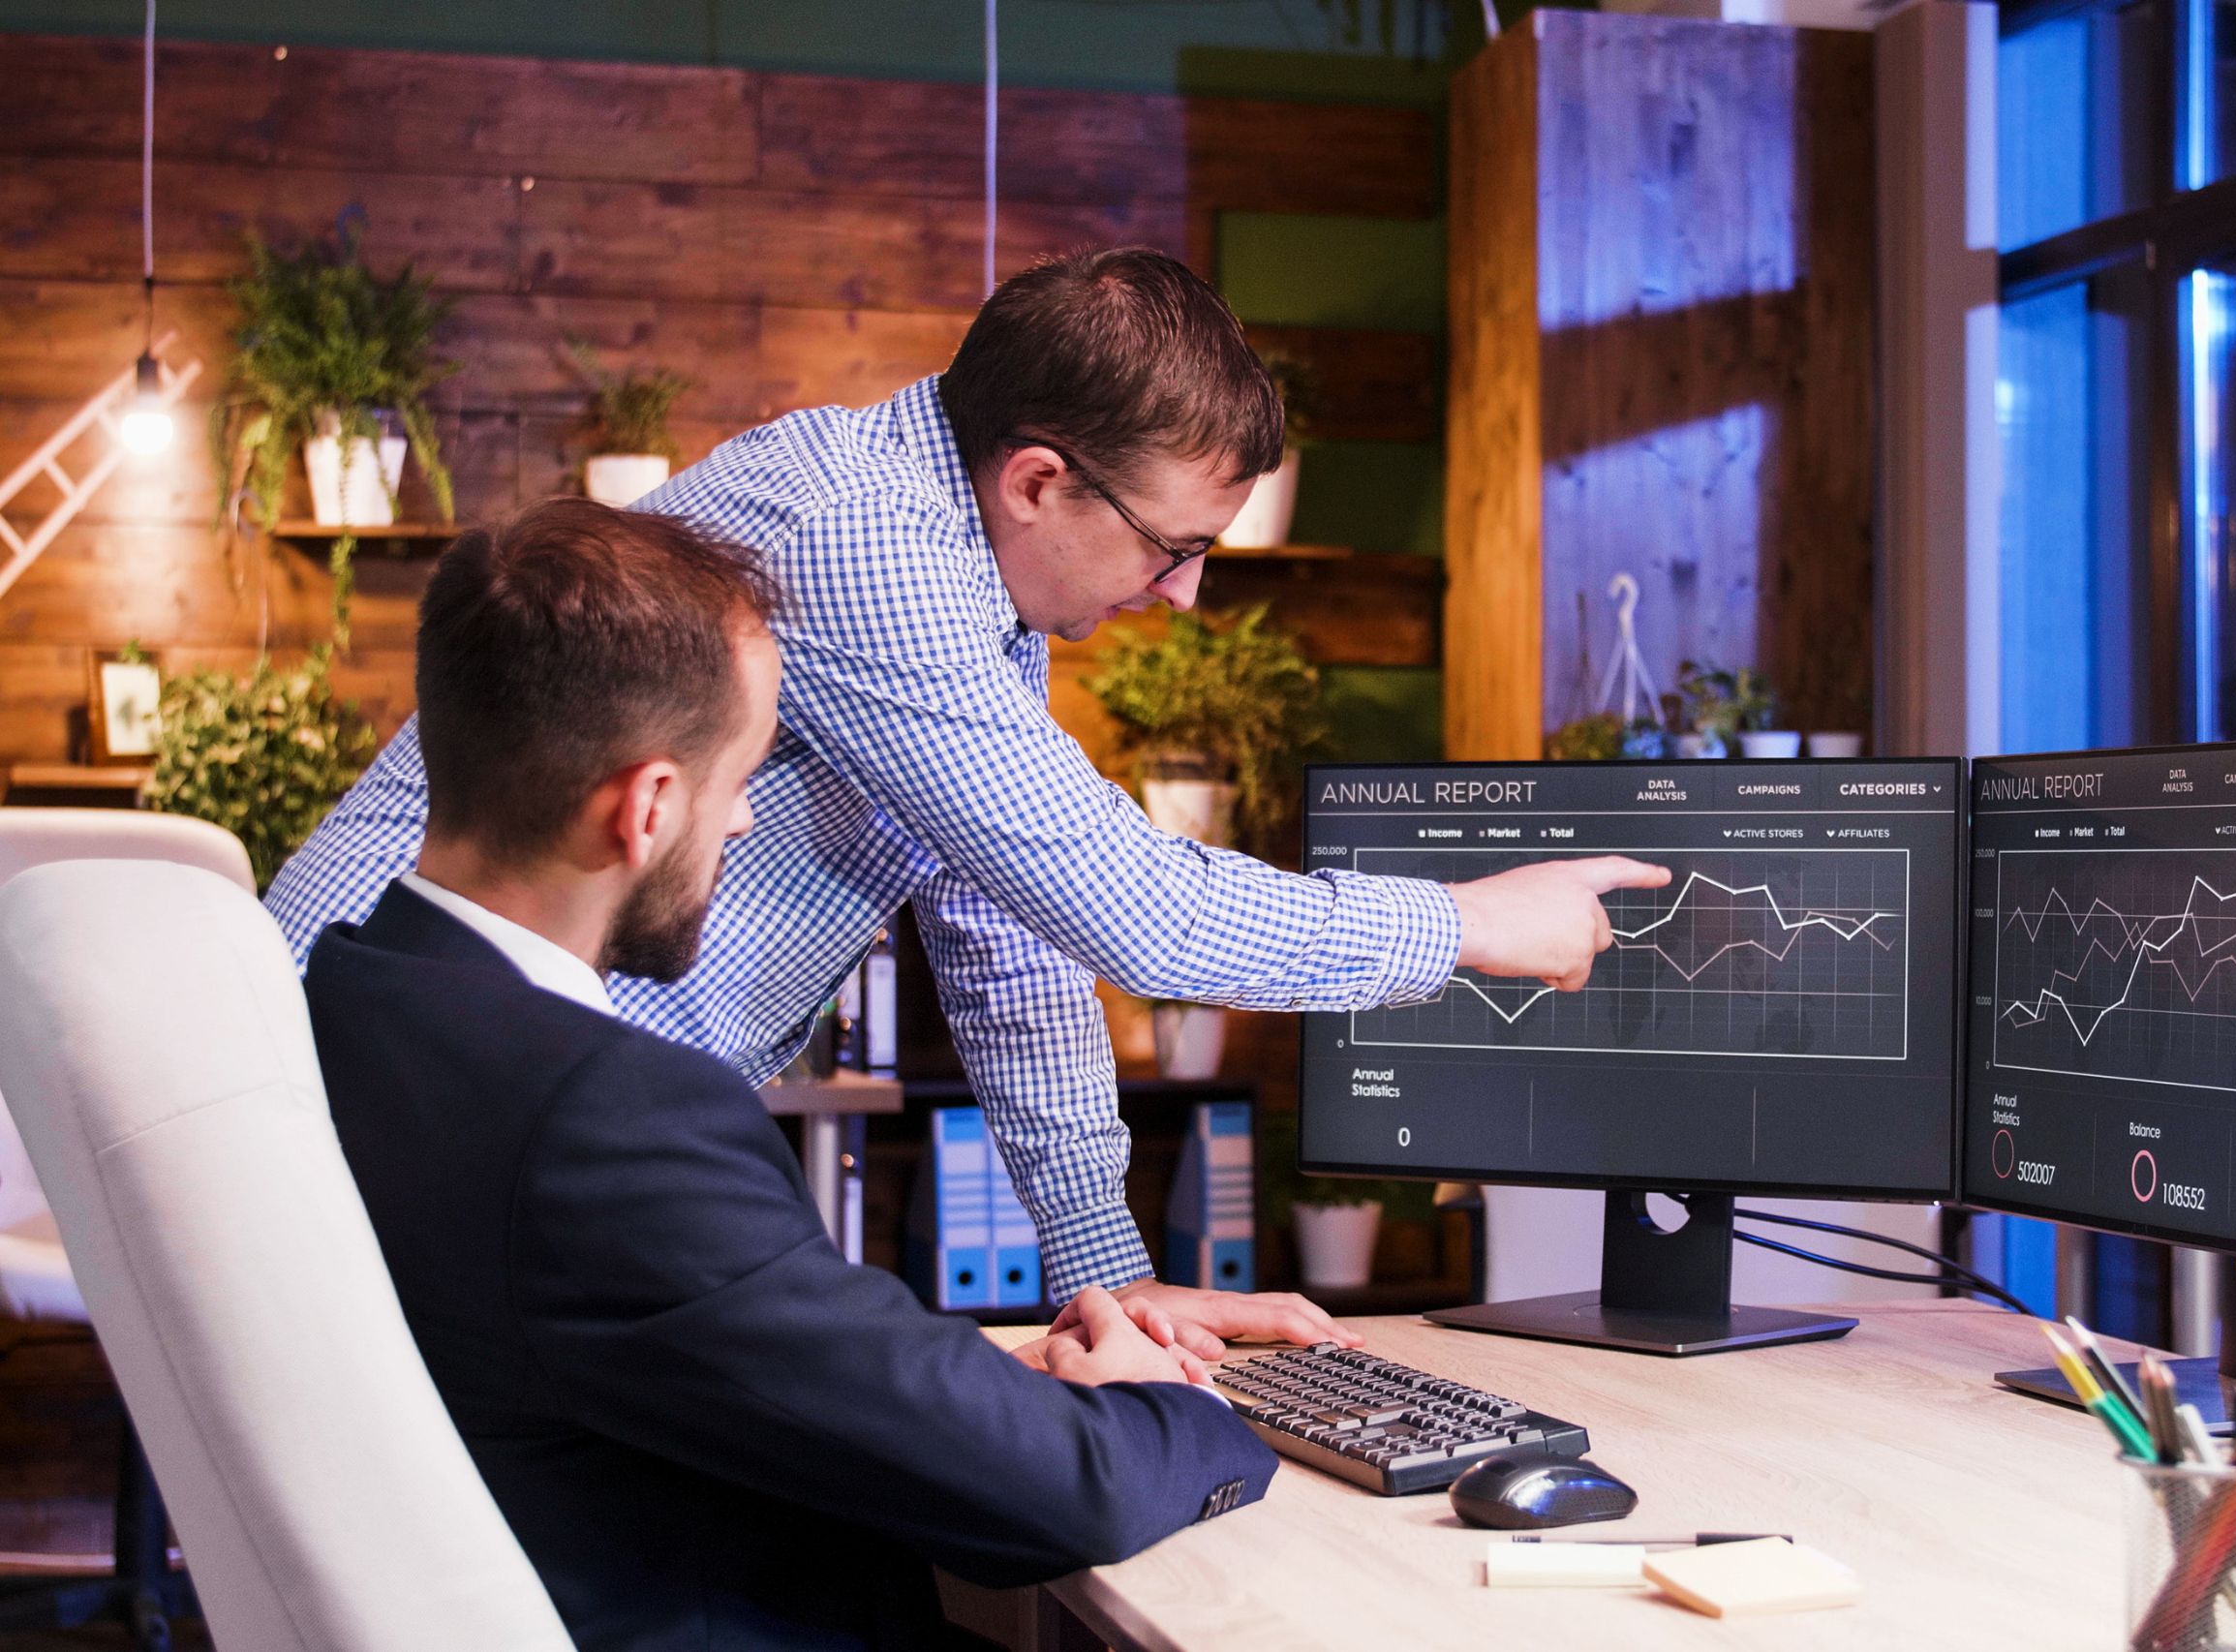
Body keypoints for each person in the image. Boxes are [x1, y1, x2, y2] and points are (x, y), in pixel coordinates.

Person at [270, 246, 1669, 1352]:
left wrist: (1108, 1277)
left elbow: (1019, 940)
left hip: (483, 1098)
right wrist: (1468, 924)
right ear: (1038, 480)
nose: (1185, 593)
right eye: (1173, 546)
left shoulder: (968, 584)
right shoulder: (866, 541)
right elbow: (1137, 912)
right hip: (386, 1090)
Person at [303, 500, 1276, 1652]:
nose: (744, 819)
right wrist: (1173, 1404)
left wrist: (977, 1388)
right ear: (647, 807)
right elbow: (1070, 1494)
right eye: (742, 777)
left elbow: (692, 1348)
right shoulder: (607, 1115)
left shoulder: (349, 1003)